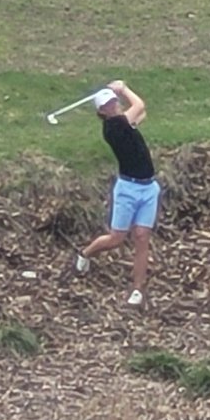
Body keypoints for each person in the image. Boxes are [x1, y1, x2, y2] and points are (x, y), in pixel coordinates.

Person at [73, 80, 160, 306]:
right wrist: (123, 88)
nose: (113, 105)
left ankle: (137, 289)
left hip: (149, 188)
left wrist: (135, 118)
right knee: (116, 239)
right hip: (128, 190)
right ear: (101, 112)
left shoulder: (123, 123)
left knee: (142, 237)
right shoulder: (114, 126)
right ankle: (86, 253)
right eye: (108, 104)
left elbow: (139, 117)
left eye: (114, 101)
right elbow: (140, 105)